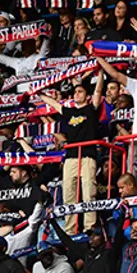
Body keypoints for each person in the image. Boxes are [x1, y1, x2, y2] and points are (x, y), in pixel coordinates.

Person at [40, 70, 104, 235]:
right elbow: (54, 104)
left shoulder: (91, 109)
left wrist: (101, 74)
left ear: (86, 96)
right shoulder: (69, 112)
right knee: (69, 192)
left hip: (88, 155)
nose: (77, 93)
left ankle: (89, 227)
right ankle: (70, 229)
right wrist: (38, 92)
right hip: (70, 157)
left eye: (80, 91)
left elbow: (98, 92)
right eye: (75, 92)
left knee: (89, 192)